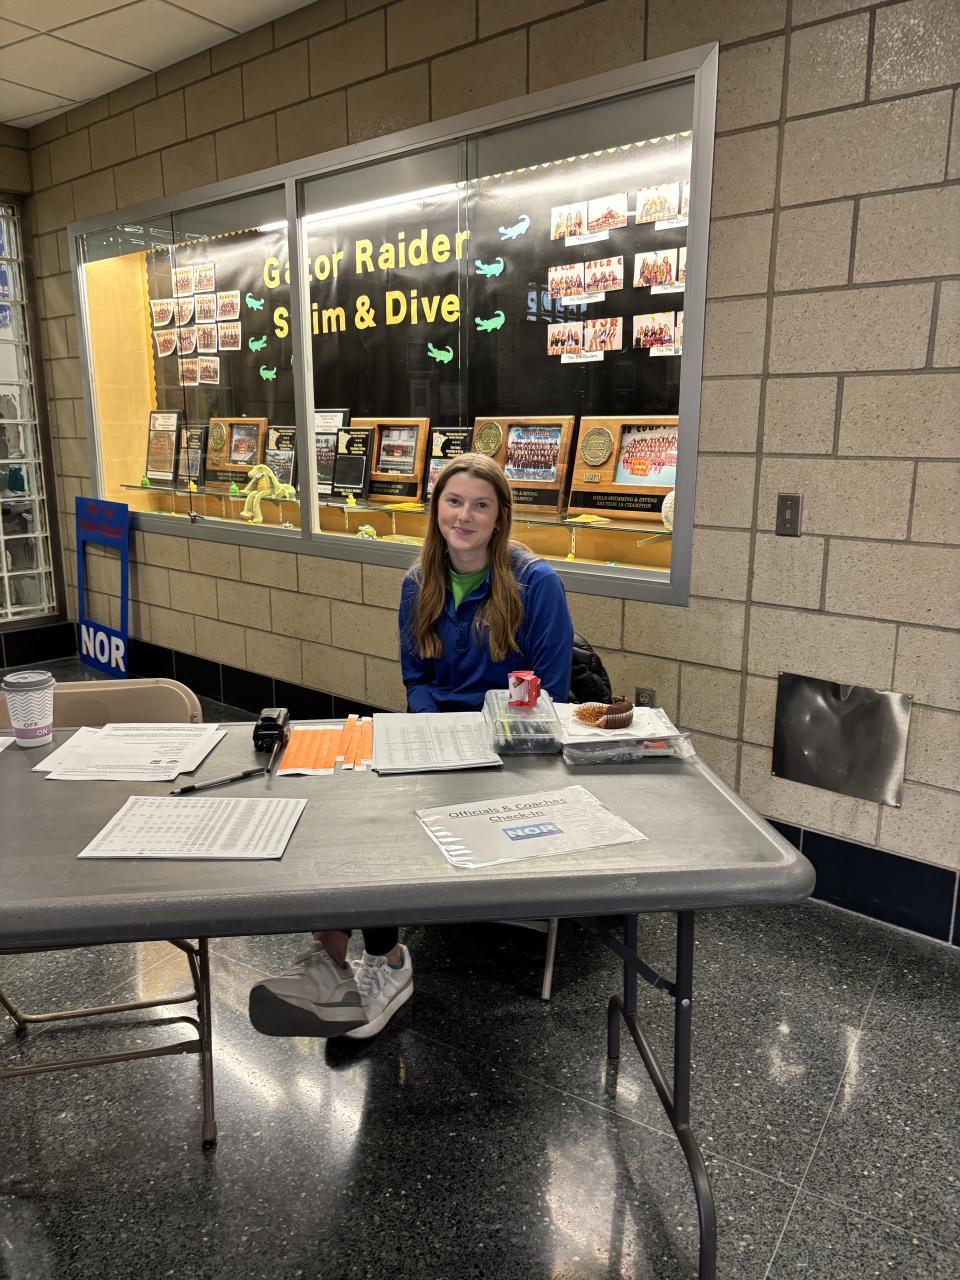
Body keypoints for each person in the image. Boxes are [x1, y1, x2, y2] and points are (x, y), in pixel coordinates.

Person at [249, 453, 574, 1043]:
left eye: (480, 505)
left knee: (388, 826)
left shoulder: (536, 583)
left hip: (509, 751)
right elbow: (417, 679)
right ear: (437, 509)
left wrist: (474, 736)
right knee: (351, 809)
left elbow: (553, 692)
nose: (464, 516)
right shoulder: (417, 582)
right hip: (437, 737)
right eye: (454, 502)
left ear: (500, 516)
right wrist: (432, 733)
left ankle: (388, 962)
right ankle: (328, 959)